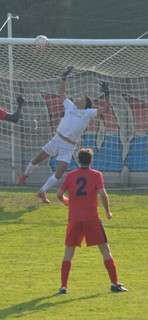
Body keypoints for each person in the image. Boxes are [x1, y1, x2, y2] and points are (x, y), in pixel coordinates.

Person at [16, 67, 111, 203]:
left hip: (69, 146)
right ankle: (25, 175)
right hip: (57, 139)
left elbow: (106, 109)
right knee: (37, 159)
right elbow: (61, 92)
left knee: (59, 173)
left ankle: (42, 192)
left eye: (81, 98)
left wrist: (107, 94)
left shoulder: (88, 113)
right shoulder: (70, 106)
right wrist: (63, 77)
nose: (78, 98)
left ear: (85, 103)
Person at [56, 148, 128, 294]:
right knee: (105, 250)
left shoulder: (71, 175)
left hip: (74, 219)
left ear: (78, 160)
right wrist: (108, 212)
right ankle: (114, 284)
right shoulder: (96, 175)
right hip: (91, 219)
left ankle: (63, 286)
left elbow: (58, 194)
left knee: (68, 252)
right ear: (91, 161)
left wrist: (66, 201)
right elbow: (103, 194)